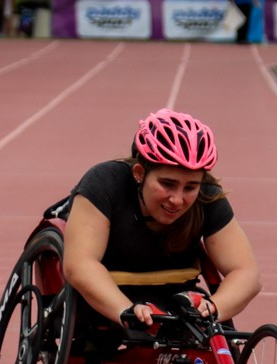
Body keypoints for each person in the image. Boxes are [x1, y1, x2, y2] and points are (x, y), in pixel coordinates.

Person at [57, 109, 262, 346]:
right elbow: (79, 264)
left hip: (170, 295)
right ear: (139, 173)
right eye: (167, 184)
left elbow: (247, 273)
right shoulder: (104, 183)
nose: (177, 199)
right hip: (100, 298)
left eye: (190, 187)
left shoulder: (206, 196)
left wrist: (215, 307)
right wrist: (125, 310)